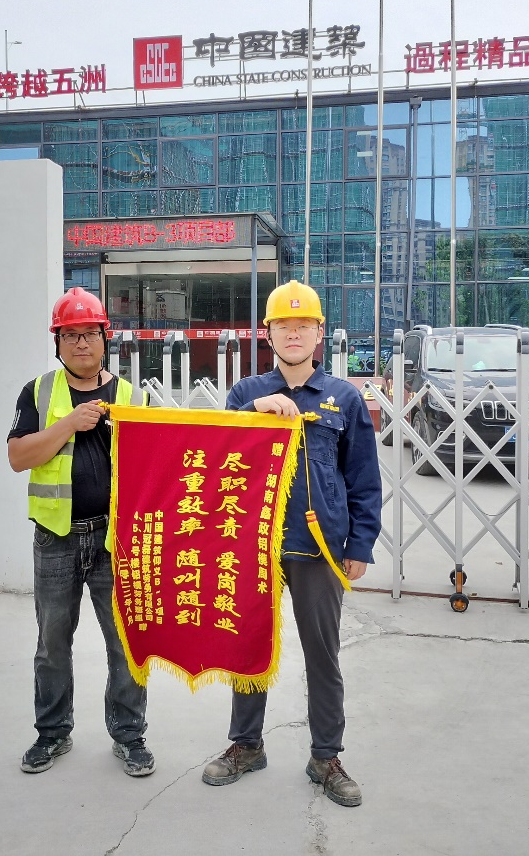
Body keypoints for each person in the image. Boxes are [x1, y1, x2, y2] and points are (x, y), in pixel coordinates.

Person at [201, 279, 380, 807]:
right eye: (284, 325)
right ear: (269, 334)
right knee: (249, 646)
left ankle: (326, 756)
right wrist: (256, 411)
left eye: (304, 325)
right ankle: (246, 745)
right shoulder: (245, 394)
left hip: (319, 547)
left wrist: (360, 545)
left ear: (319, 333)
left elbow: (363, 479)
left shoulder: (344, 398)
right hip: (253, 546)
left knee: (322, 654)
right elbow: (218, 453)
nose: (294, 334)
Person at [7, 287, 154, 777]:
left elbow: (157, 468)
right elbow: (18, 457)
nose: (81, 343)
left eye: (90, 333)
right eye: (70, 335)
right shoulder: (38, 393)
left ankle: (129, 736)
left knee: (125, 643)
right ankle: (52, 733)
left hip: (117, 541)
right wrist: (69, 423)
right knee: (52, 643)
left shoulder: (133, 398)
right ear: (58, 342)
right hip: (56, 538)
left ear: (104, 339)